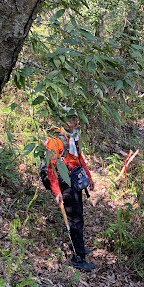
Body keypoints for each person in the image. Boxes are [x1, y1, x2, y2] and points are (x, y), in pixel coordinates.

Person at [45, 108, 96, 271]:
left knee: (79, 214)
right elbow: (50, 167)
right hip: (64, 181)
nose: (72, 122)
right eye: (69, 119)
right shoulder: (56, 140)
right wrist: (56, 191)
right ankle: (78, 256)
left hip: (75, 178)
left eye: (74, 119)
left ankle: (78, 246)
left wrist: (88, 178)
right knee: (74, 218)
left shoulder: (73, 136)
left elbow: (78, 157)